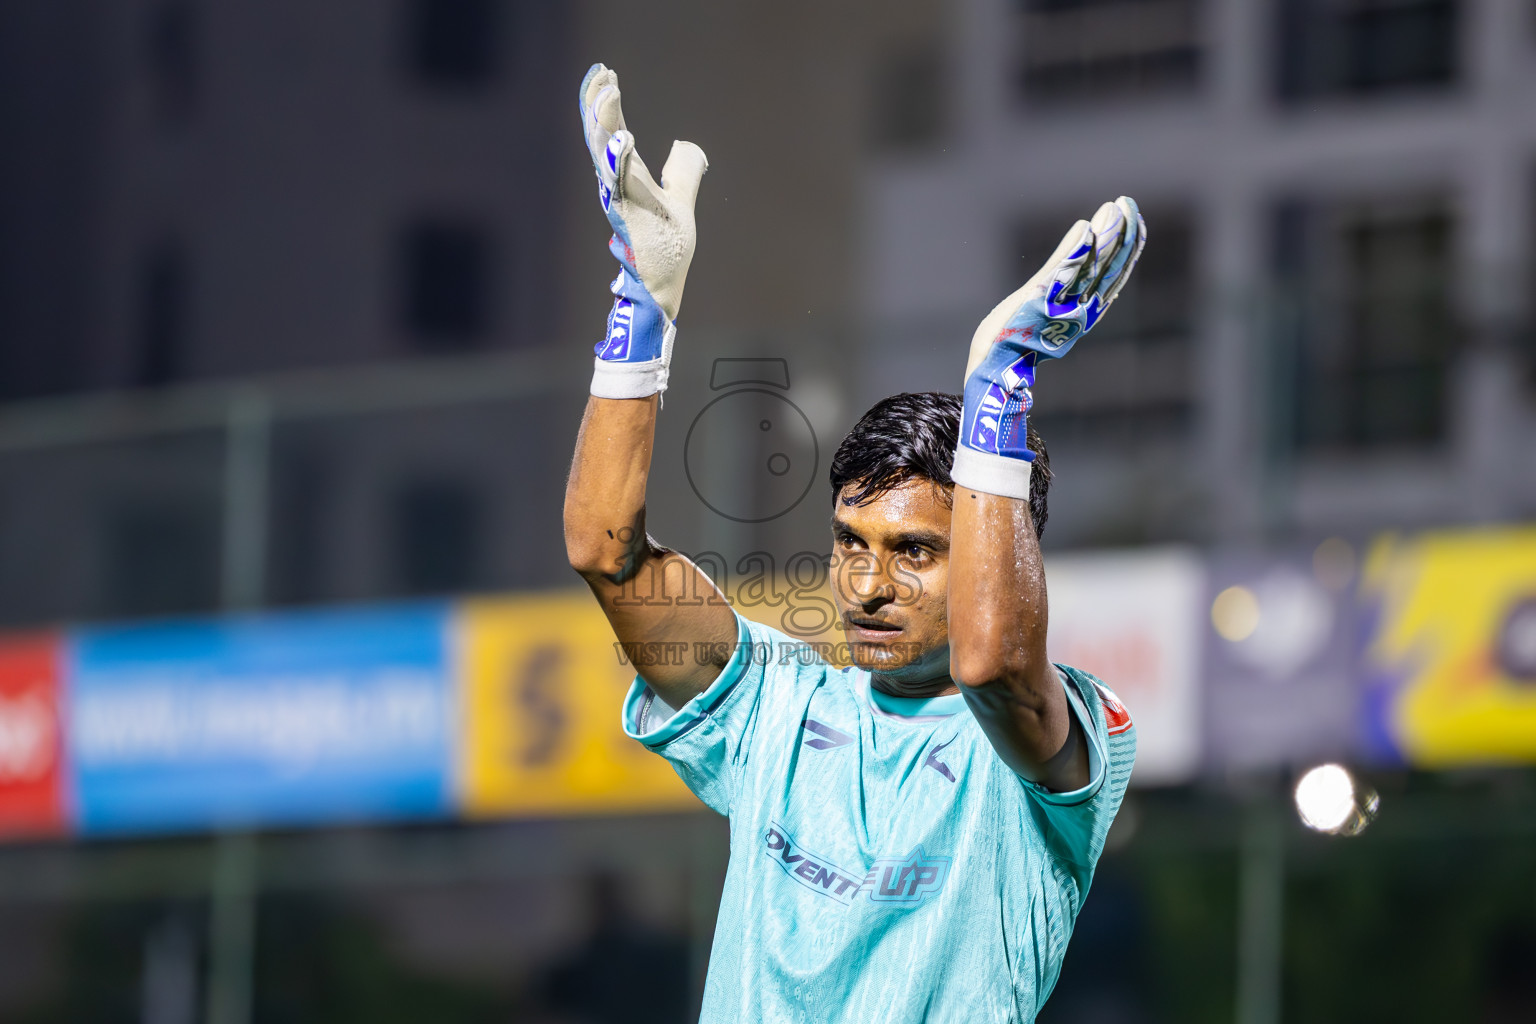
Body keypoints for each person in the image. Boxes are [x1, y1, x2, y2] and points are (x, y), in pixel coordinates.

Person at [563, 63, 1142, 1024]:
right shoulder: (769, 704)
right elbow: (604, 551)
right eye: (849, 542)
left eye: (914, 550)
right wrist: (642, 301)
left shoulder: (1048, 747)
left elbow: (995, 663)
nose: (867, 582)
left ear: (999, 551)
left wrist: (1000, 381)